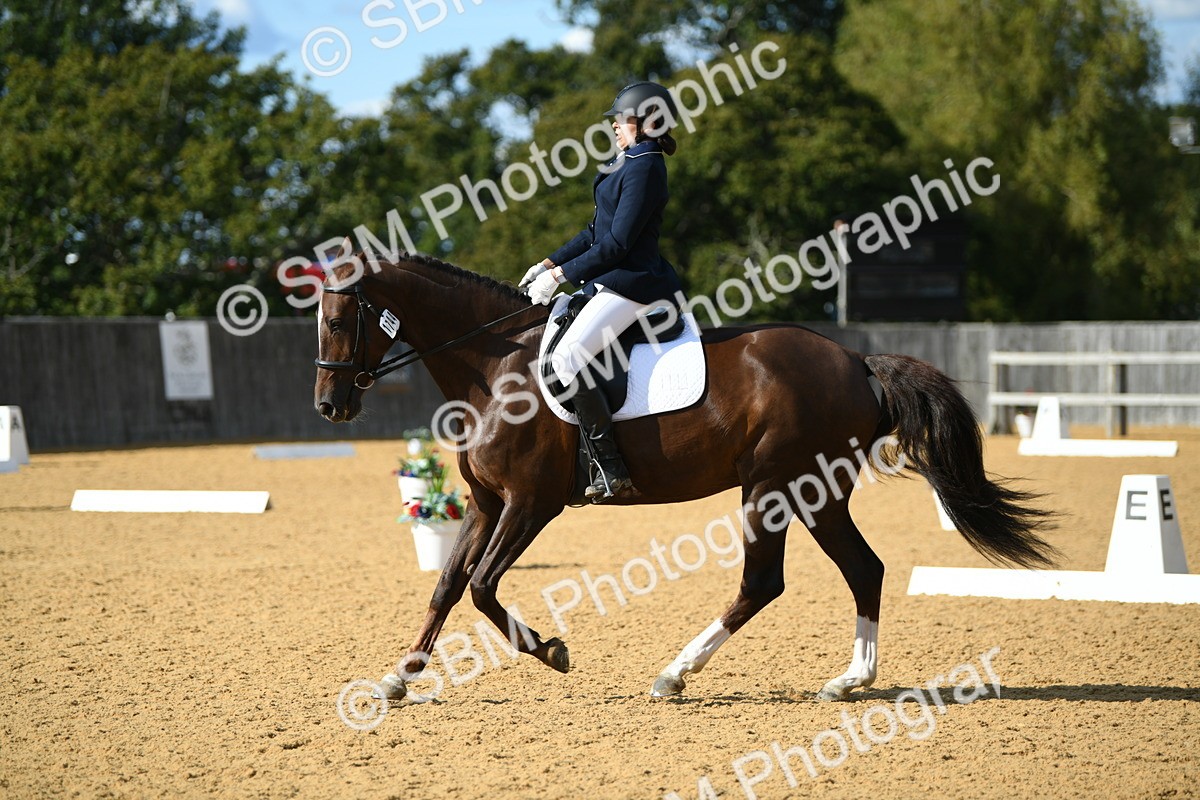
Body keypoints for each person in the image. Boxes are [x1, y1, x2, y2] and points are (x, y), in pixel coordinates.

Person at [520, 81, 685, 503]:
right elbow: (594, 232)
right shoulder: (627, 161)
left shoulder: (646, 166)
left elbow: (617, 246)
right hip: (609, 280)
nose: (614, 125)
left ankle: (608, 467)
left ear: (646, 122)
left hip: (634, 282)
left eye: (621, 118)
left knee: (567, 356)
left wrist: (561, 278)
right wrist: (548, 263)